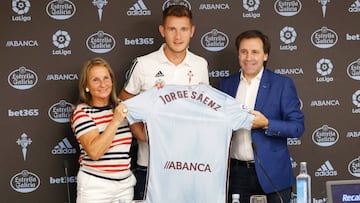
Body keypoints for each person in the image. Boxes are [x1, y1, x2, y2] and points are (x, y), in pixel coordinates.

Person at [118, 5, 209, 200]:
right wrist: (138, 130)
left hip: (189, 165)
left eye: (183, 29)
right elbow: (124, 100)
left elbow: (204, 108)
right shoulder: (144, 64)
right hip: (151, 165)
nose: (178, 36)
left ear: (192, 31)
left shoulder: (200, 65)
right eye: (172, 29)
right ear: (162, 31)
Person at [219, 30, 305, 203]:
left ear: (265, 55)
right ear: (238, 54)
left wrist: (266, 123)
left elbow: (297, 127)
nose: (248, 57)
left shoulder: (282, 84)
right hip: (236, 175)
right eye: (244, 51)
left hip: (272, 174)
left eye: (255, 52)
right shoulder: (226, 85)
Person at [71, 57, 137, 203]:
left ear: (112, 81)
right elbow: (95, 152)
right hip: (96, 187)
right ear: (86, 86)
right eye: (95, 80)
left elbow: (144, 135)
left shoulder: (122, 107)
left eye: (106, 78)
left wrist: (159, 94)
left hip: (124, 187)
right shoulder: (82, 113)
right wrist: (115, 121)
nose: (102, 84)